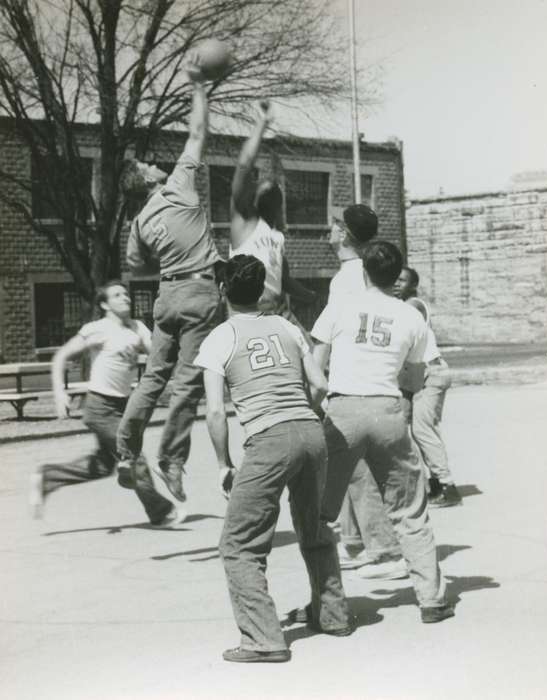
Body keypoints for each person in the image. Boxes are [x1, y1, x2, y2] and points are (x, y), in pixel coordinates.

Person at [194, 254, 352, 663]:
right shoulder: (285, 326)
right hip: (309, 429)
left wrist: (224, 464)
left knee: (240, 544)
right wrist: (306, 419)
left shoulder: (219, 337)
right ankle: (333, 616)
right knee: (315, 528)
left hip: (268, 438)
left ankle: (263, 639)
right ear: (262, 289)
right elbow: (319, 383)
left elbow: (215, 412)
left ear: (223, 289)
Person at [311, 240, 455, 623]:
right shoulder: (410, 315)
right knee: (409, 508)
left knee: (322, 511)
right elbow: (417, 372)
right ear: (398, 276)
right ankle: (430, 597)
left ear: (364, 272)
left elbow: (316, 365)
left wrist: (314, 409)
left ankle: (329, 605)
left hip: (343, 408)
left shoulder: (341, 306)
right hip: (387, 407)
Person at [116, 57, 221, 504]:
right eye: (145, 165)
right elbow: (197, 133)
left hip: (166, 295)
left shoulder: (139, 222)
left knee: (153, 377)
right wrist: (199, 87)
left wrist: (166, 254)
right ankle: (172, 461)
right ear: (146, 180)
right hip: (198, 290)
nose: (152, 164)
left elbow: (134, 268)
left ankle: (125, 448)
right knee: (186, 382)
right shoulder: (178, 185)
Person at [29, 281, 176, 526]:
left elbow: (158, 354)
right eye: (117, 295)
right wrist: (59, 393)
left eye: (126, 294)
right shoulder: (98, 328)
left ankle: (46, 477)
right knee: (133, 457)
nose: (125, 298)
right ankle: (160, 512)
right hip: (99, 406)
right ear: (105, 304)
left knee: (101, 466)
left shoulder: (137, 327)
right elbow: (61, 356)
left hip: (122, 406)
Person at [327, 205, 407, 579]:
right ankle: (357, 542)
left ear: (344, 235)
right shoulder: (359, 273)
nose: (328, 232)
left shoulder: (346, 279)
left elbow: (335, 335)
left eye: (332, 226)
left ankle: (384, 549)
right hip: (368, 383)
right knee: (347, 467)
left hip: (351, 383)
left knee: (354, 469)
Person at [229, 100, 316, 337]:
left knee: (312, 360)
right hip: (248, 308)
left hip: (277, 307)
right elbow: (244, 164)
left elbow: (283, 279)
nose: (268, 184)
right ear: (252, 196)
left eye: (274, 188)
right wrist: (261, 124)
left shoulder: (276, 235)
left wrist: (309, 295)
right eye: (261, 184)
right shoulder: (244, 219)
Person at [394, 266, 462, 507]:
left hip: (431, 373)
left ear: (413, 286)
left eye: (402, 280)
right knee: (403, 430)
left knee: (423, 431)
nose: (396, 283)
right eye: (394, 279)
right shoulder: (398, 305)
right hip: (413, 376)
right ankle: (429, 484)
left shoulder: (413, 304)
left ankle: (447, 485)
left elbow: (397, 323)